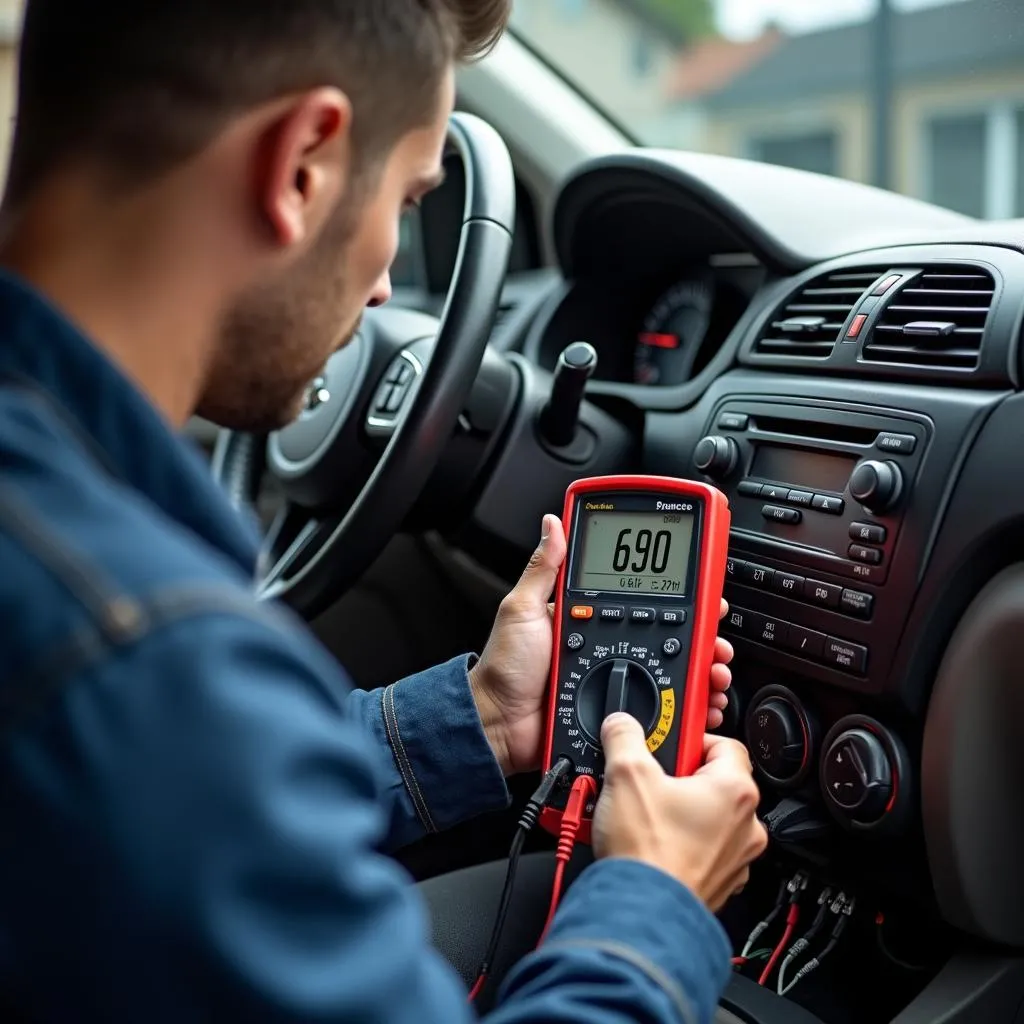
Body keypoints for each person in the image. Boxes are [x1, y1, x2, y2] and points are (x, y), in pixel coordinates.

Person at [0, 2, 768, 1022]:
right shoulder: (148, 658)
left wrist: (483, 721)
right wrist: (657, 901)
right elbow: (176, 742)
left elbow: (199, 798)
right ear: (303, 164)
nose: (381, 288)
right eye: (407, 202)